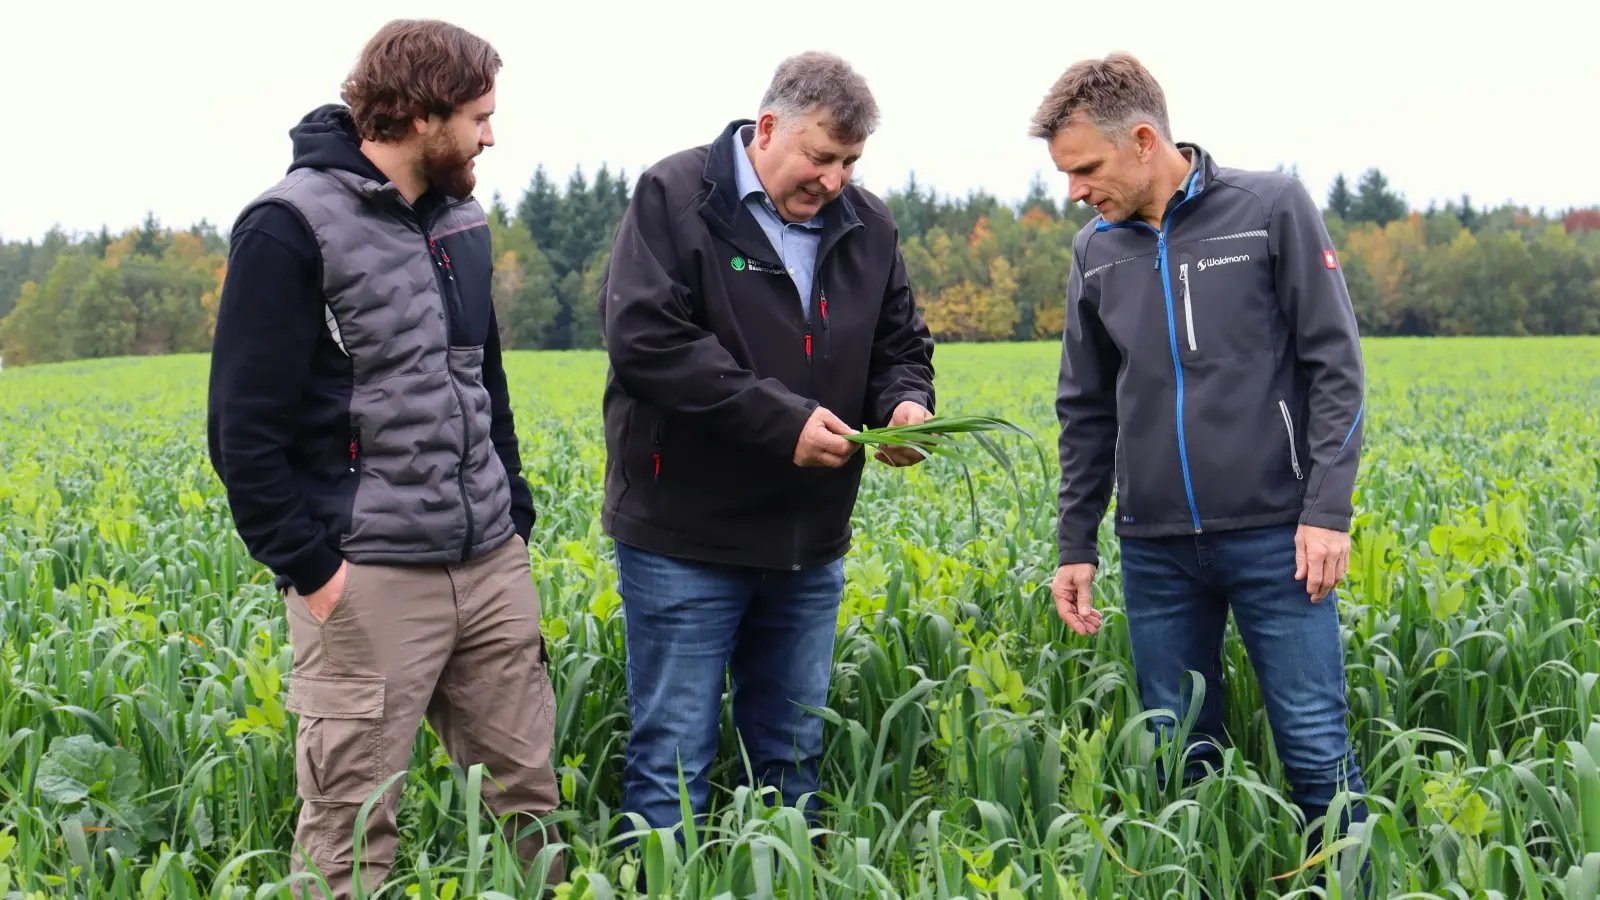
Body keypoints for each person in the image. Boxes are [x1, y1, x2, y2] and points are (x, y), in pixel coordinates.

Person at [206, 19, 563, 897]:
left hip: (488, 566)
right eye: (478, 116)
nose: (491, 134)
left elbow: (487, 382)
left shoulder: (462, 220)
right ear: (417, 114)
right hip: (367, 579)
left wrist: (512, 518)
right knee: (349, 833)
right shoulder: (289, 227)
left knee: (531, 810)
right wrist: (315, 572)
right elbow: (242, 431)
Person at [1034, 53, 1369, 856]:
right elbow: (1084, 408)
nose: (1074, 191)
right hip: (1153, 550)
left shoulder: (1270, 209)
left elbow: (1337, 369)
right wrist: (1075, 542)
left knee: (1317, 747)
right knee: (1177, 758)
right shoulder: (1095, 251)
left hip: (1278, 540)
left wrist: (1326, 512)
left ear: (1144, 139)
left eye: (1085, 168)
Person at [597, 51, 936, 836]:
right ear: (769, 127)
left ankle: (780, 876)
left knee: (789, 756)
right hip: (685, 538)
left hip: (807, 542)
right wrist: (781, 423)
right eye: (821, 157)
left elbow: (900, 345)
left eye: (850, 161)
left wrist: (908, 406)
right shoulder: (675, 197)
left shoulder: (869, 224)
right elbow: (649, 342)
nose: (834, 180)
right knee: (673, 758)